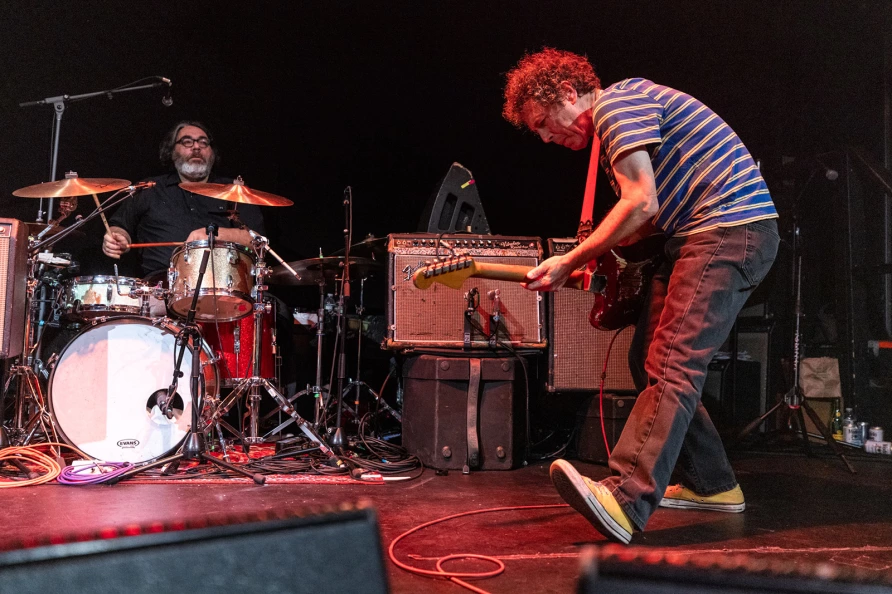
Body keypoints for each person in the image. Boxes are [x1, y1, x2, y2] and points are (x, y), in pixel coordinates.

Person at [503, 48, 780, 544]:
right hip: (697, 233)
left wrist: (570, 259)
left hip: (728, 228)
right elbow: (648, 218)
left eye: (545, 122)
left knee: (674, 362)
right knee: (648, 358)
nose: (545, 136)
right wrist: (597, 253)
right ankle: (713, 485)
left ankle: (627, 497)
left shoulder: (616, 105)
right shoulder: (620, 123)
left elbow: (640, 201)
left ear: (569, 92)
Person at [102, 120, 264, 278]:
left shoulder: (234, 190)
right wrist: (117, 237)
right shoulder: (150, 188)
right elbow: (119, 226)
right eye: (187, 142)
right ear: (172, 152)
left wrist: (213, 235)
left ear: (212, 153)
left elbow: (258, 241)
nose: (196, 147)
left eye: (203, 142)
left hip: (220, 284)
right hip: (159, 286)